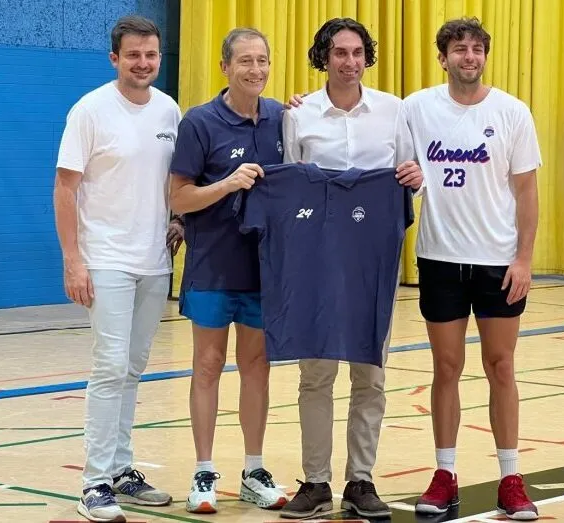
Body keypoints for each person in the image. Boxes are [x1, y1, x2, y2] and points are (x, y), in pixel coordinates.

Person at [279, 18, 423, 520]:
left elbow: (411, 174)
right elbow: (292, 186)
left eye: (358, 52)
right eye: (339, 52)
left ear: (367, 57)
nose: (349, 61)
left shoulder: (393, 111)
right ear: (324, 57)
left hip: (371, 264)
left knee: (371, 374)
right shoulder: (298, 115)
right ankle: (316, 482)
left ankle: (360, 481)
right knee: (315, 374)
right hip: (315, 262)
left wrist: (414, 176)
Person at [403, 17, 541, 521]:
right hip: (439, 258)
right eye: (459, 49)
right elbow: (387, 150)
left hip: (497, 263)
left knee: (501, 367)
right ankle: (444, 474)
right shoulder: (416, 109)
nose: (469, 56)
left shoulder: (512, 112)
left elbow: (527, 192)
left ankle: (510, 477)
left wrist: (524, 258)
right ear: (443, 57)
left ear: (485, 56)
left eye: (477, 49)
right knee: (446, 367)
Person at [54, 15, 182, 523]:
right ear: (115, 58)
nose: (143, 63)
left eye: (151, 55)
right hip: (105, 260)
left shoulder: (170, 110)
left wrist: (176, 220)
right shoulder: (90, 110)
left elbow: (175, 178)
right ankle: (94, 483)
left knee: (132, 369)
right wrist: (73, 260)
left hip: (155, 261)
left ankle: (123, 470)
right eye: (133, 55)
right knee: (108, 368)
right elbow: (65, 188)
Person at [168, 27, 288, 514]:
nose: (255, 70)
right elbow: (178, 197)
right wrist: (226, 184)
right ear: (225, 67)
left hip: (265, 269)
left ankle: (254, 470)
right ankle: (203, 472)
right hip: (213, 265)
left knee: (257, 368)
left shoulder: (283, 117)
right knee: (209, 366)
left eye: (262, 60)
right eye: (245, 61)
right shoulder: (199, 123)